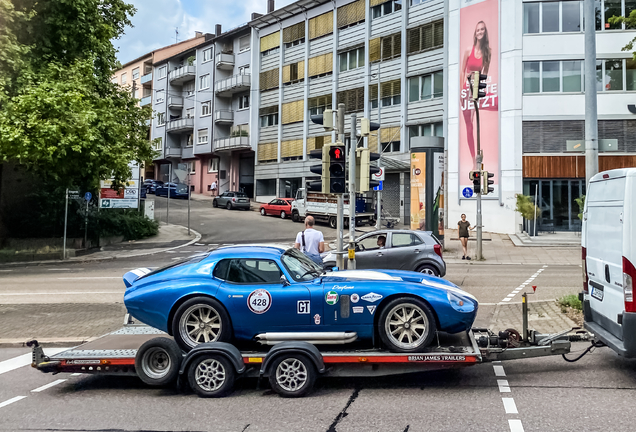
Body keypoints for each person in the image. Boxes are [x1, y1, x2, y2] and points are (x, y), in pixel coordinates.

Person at [460, 20, 491, 159]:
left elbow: (485, 74)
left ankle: (476, 158)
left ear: (485, 32)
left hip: (476, 87)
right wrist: (462, 89)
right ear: (475, 32)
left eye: (482, 29)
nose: (480, 32)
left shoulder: (487, 53)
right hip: (466, 87)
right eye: (478, 29)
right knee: (468, 125)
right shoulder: (468, 50)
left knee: (473, 122)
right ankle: (473, 158)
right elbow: (462, 71)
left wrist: (479, 90)